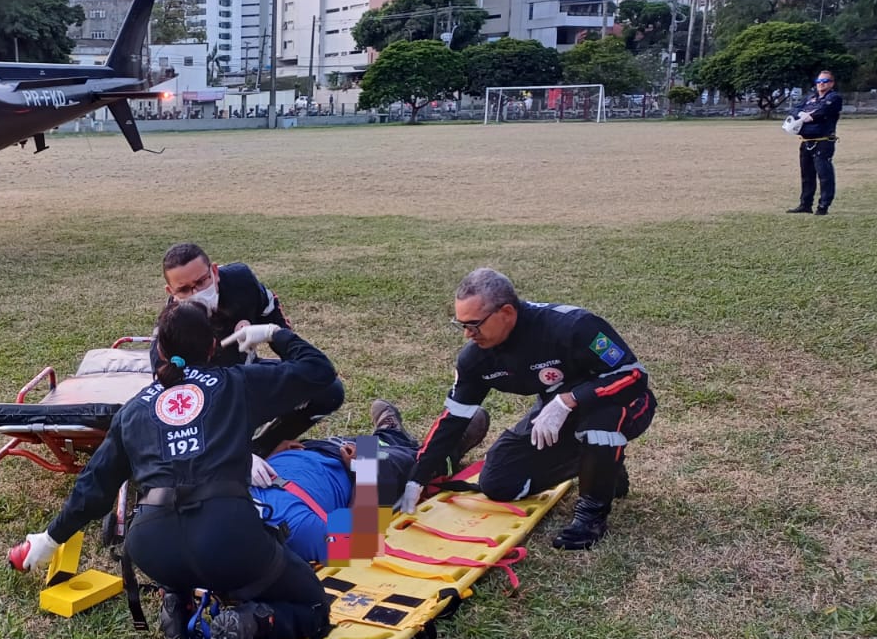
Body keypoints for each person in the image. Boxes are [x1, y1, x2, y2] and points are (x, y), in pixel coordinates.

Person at [10, 301, 339, 639]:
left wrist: (48, 540)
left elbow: (92, 488)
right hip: (243, 528)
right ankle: (250, 621)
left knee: (220, 554)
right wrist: (272, 334)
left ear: (158, 351)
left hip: (154, 543)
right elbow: (321, 376)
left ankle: (177, 598)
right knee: (315, 606)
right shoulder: (365, 461)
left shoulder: (133, 411)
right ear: (213, 348)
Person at [392, 269, 656, 551]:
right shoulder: (475, 358)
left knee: (598, 423)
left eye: (475, 324)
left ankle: (591, 514)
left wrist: (569, 400)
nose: (468, 334)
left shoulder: (574, 326)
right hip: (554, 412)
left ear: (506, 312)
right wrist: (418, 478)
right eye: (461, 324)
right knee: (498, 482)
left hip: (621, 402)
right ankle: (603, 466)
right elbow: (453, 419)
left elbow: (634, 377)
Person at [155, 242, 346, 456]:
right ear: (171, 292)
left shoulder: (241, 282)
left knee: (329, 390)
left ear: (215, 272)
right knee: (372, 457)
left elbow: (280, 324)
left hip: (245, 377)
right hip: (211, 398)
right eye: (184, 289)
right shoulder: (173, 325)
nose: (197, 292)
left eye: (202, 281)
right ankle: (250, 449)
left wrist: (268, 331)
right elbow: (171, 393)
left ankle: (263, 446)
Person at [253, 402, 491, 564]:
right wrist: (362, 471)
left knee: (371, 445)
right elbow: (362, 540)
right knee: (413, 461)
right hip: (355, 473)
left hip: (314, 449)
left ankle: (390, 435)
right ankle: (449, 451)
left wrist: (266, 455)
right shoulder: (297, 530)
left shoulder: (222, 493)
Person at [786, 69, 843, 215]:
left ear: (831, 83)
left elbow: (823, 111)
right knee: (807, 175)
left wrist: (810, 116)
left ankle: (823, 206)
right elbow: (795, 109)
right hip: (806, 141)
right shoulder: (811, 97)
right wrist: (802, 114)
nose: (821, 85)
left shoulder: (834, 97)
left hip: (823, 141)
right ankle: (805, 204)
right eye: (819, 81)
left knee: (824, 175)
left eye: (824, 81)